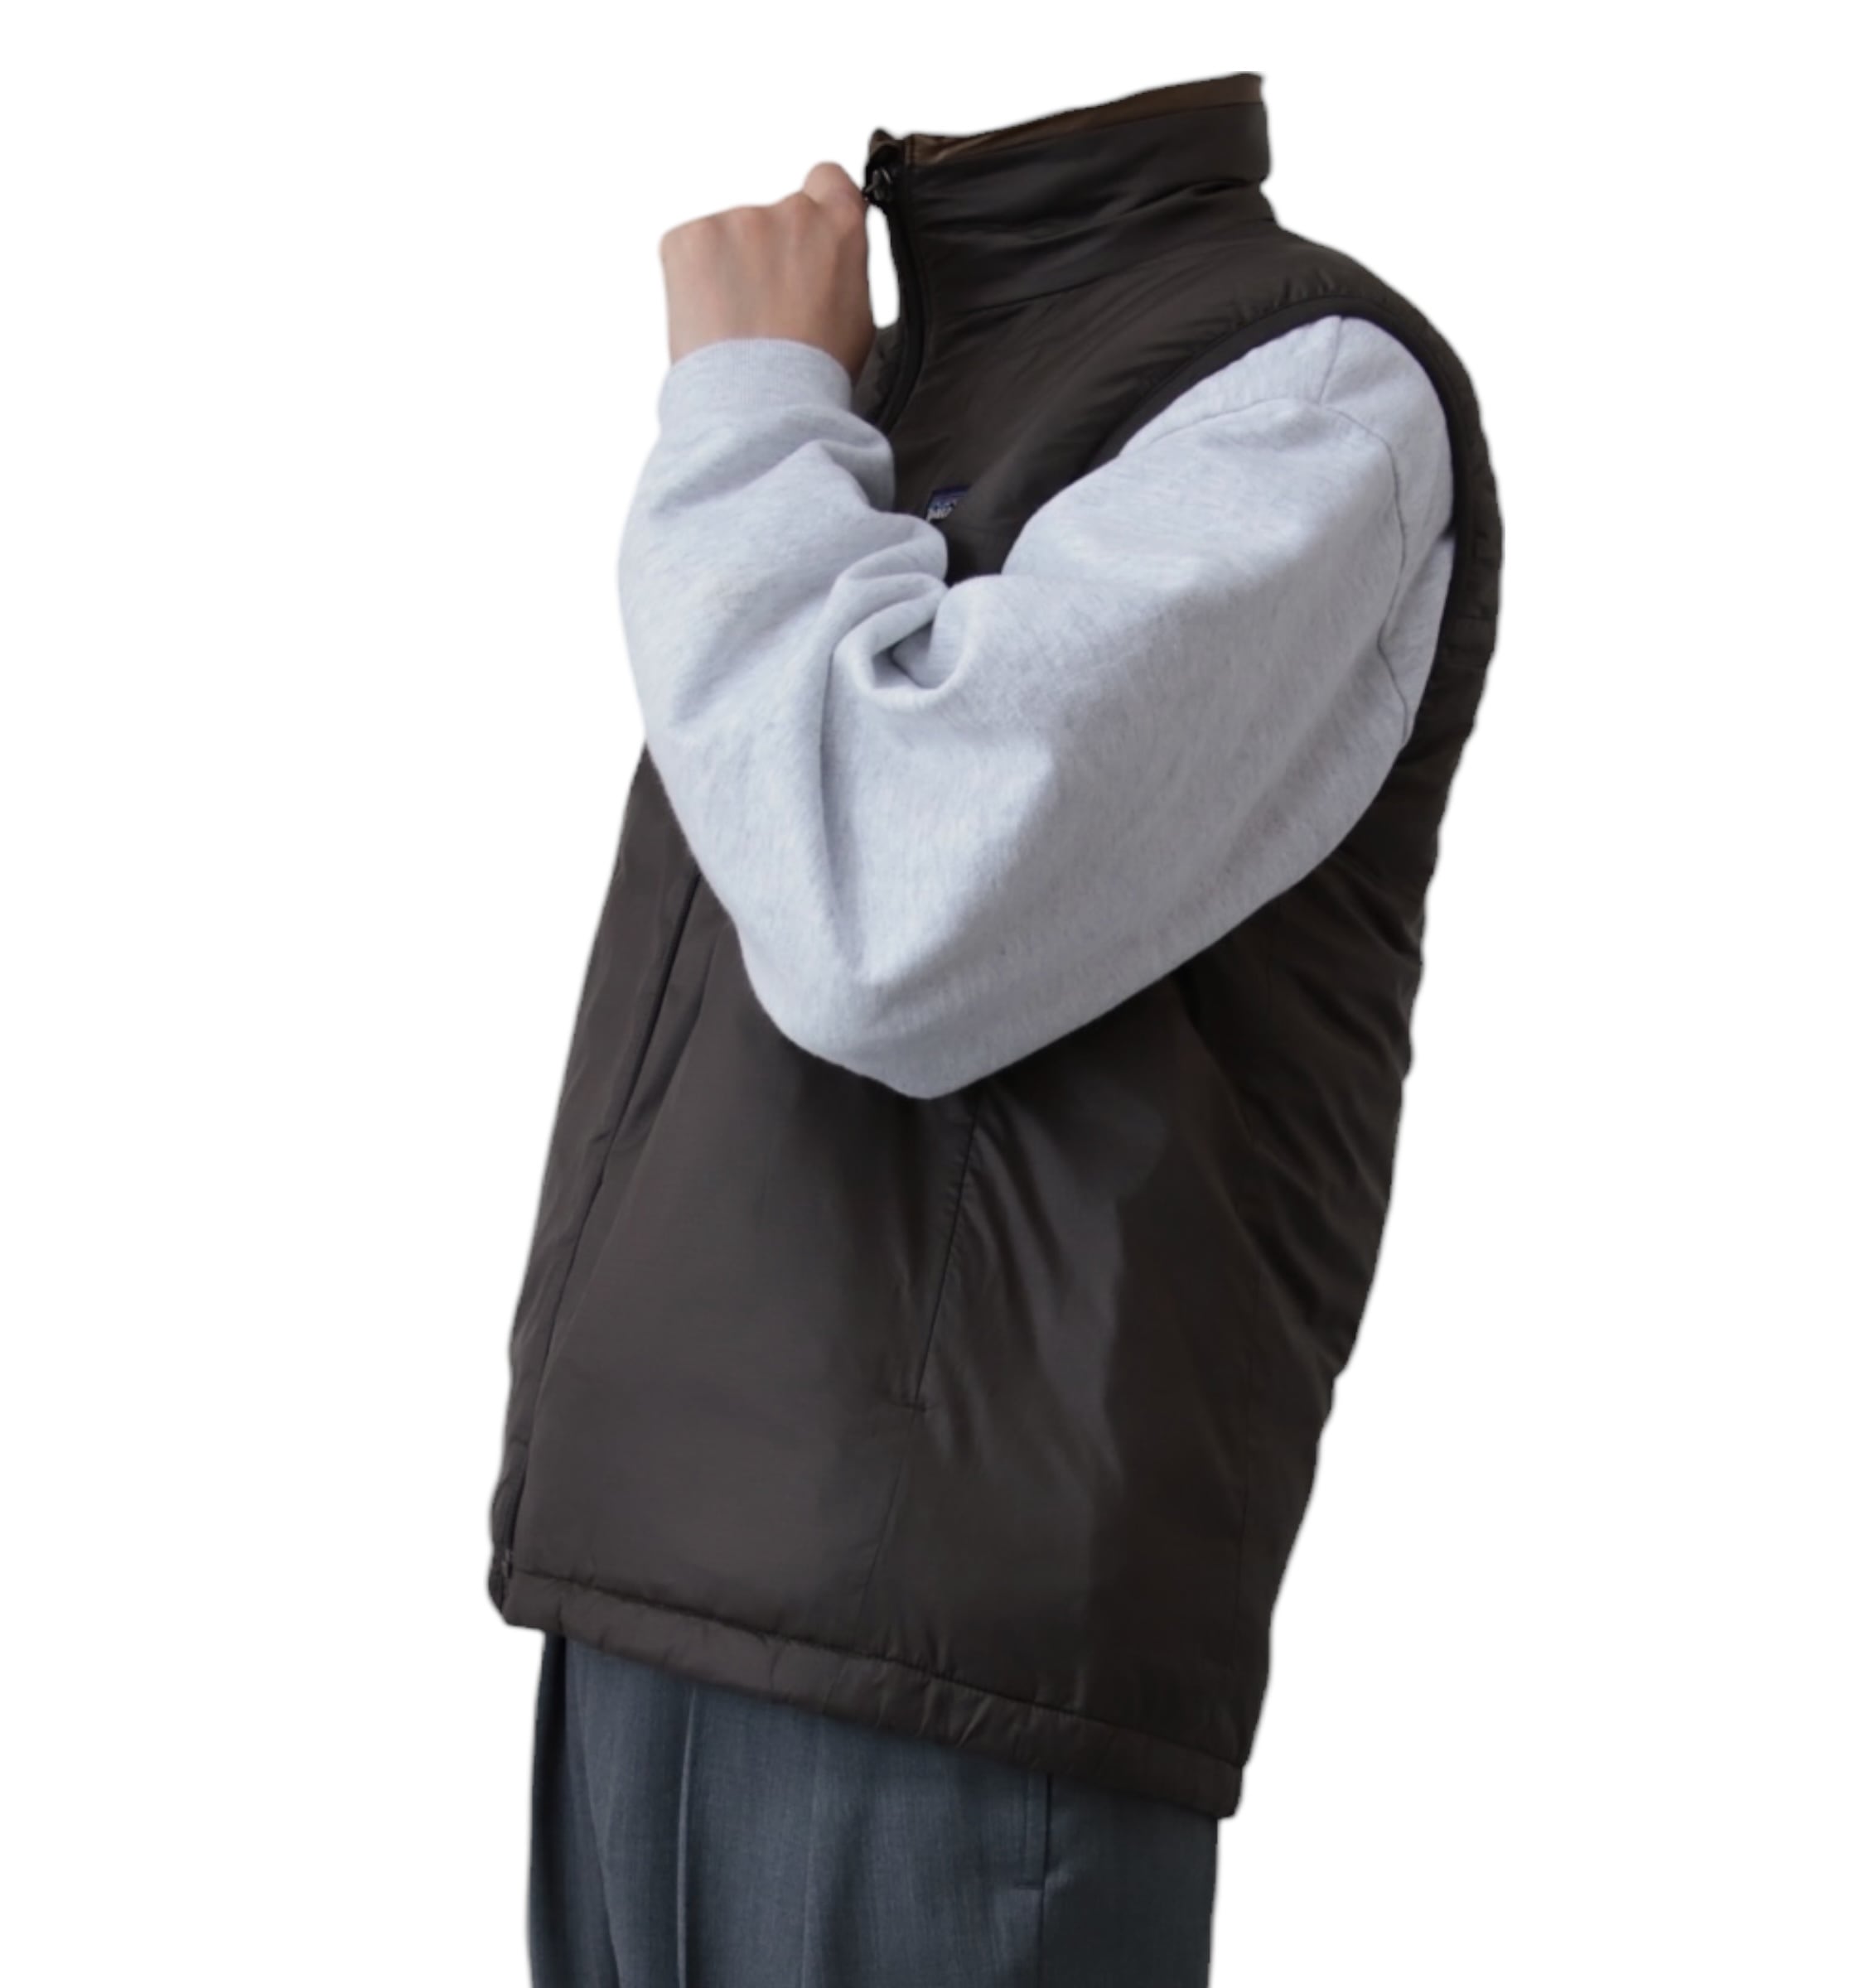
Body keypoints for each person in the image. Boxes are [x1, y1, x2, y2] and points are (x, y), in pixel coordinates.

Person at [491, 70, 1501, 1987]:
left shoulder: (1305, 389)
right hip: (639, 1588)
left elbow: (885, 915)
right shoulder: (886, 378)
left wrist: (748, 412)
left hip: (952, 1682)